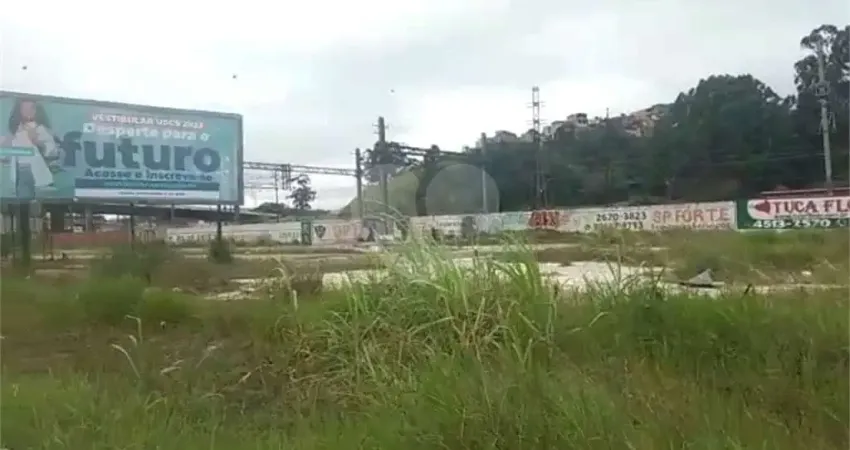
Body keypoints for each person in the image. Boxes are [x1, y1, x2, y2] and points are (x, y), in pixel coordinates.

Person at [1, 98, 60, 191]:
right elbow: (6, 155)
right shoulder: (15, 131)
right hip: (19, 180)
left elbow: (53, 152)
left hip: (40, 179)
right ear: (19, 110)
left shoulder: (40, 129)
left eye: (31, 108)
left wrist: (37, 141)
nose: (28, 112)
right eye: (25, 109)